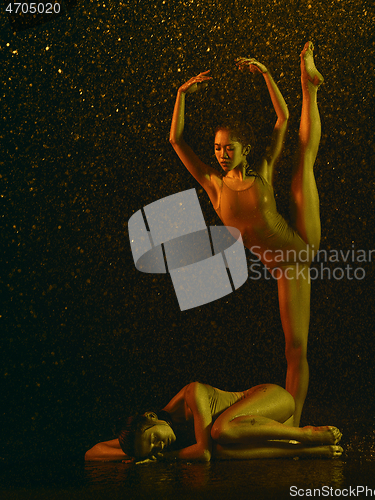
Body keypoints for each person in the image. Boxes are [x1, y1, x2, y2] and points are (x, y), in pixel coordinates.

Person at [169, 42, 324, 426]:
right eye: (218, 148)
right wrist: (180, 96)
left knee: (303, 159)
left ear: (245, 149)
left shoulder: (263, 171)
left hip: (297, 256)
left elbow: (282, 119)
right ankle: (292, 419)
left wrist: (269, 76)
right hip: (278, 267)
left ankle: (310, 85)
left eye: (229, 148)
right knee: (292, 348)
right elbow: (176, 140)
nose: (221, 154)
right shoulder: (214, 185)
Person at [85, 381, 342, 462]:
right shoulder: (148, 438)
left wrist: (164, 459)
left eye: (154, 440)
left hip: (275, 400)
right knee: (223, 449)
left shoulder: (192, 393)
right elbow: (92, 453)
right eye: (152, 449)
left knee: (220, 432)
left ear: (151, 417)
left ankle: (306, 434)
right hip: (264, 426)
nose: (158, 448)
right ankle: (308, 449)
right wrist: (136, 458)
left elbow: (203, 453)